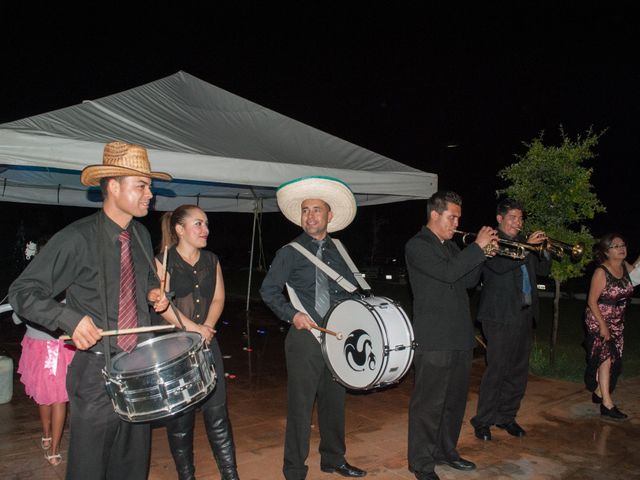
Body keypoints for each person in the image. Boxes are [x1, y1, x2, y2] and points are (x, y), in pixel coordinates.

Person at [9, 141, 170, 479]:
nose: (149, 194)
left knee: (131, 465)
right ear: (112, 186)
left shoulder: (139, 234)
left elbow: (144, 284)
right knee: (90, 467)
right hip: (96, 372)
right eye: (141, 185)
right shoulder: (77, 238)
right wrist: (67, 317)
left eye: (149, 186)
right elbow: (23, 291)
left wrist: (155, 294)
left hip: (137, 368)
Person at [260, 176, 366, 479]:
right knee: (300, 408)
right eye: (305, 210)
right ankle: (294, 469)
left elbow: (350, 293)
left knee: (335, 403)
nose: (310, 216)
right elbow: (268, 290)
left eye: (316, 210)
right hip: (305, 338)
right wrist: (292, 314)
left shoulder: (341, 251)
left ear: (329, 216)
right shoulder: (290, 252)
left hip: (336, 338)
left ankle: (334, 459)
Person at [405, 190, 498, 480]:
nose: (456, 223)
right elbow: (447, 274)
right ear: (434, 214)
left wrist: (483, 255)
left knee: (455, 403)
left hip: (459, 336)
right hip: (434, 339)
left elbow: (467, 280)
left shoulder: (452, 246)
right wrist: (477, 249)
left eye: (458, 217)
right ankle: (421, 463)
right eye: (452, 216)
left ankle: (446, 451)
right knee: (429, 405)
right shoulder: (418, 245)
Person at [154, 205, 239, 479]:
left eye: (206, 224)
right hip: (175, 348)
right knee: (181, 420)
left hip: (206, 343)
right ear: (180, 229)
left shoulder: (211, 260)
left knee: (217, 412)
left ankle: (230, 474)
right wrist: (196, 329)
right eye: (199, 224)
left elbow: (218, 298)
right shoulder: (163, 260)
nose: (206, 230)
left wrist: (208, 328)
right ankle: (186, 476)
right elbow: (163, 307)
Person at [470, 199, 551, 441]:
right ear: (500, 218)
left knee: (518, 371)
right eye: (514, 217)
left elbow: (543, 271)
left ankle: (506, 416)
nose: (519, 222)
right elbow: (499, 267)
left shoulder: (524, 244)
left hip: (524, 314)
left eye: (521, 218)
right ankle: (482, 420)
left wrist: (544, 249)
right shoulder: (492, 241)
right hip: (499, 315)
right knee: (497, 369)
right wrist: (527, 246)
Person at [584, 233, 635, 419]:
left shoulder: (625, 267)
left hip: (618, 320)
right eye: (616, 246)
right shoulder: (601, 272)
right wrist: (603, 326)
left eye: (623, 245)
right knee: (605, 357)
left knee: (615, 359)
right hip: (599, 318)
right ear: (606, 251)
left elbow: (637, 277)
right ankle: (607, 404)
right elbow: (591, 301)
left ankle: (599, 391)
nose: (622, 248)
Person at [15, 309, 76, 466]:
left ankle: (53, 446)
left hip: (60, 345)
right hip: (39, 345)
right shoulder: (36, 287)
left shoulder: (63, 287)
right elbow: (16, 317)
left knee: (58, 397)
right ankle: (47, 436)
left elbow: (17, 317)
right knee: (44, 394)